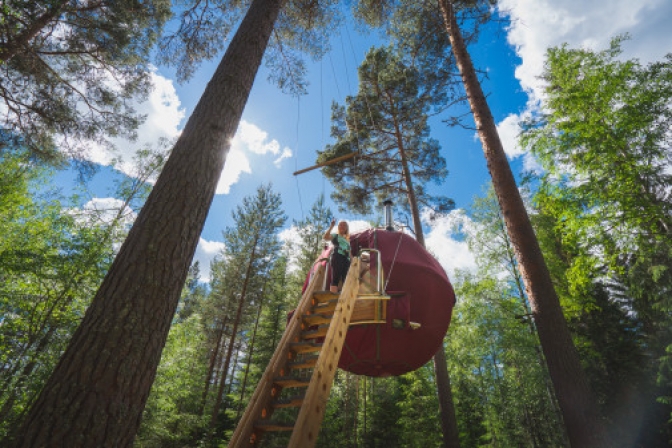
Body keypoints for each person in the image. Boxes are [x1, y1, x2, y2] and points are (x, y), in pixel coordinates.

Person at [324, 219, 351, 293]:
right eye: (341, 225)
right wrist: (331, 226)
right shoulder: (335, 235)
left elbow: (349, 252)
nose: (342, 226)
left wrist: (351, 260)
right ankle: (333, 296)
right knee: (336, 276)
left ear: (346, 228)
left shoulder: (347, 240)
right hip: (337, 256)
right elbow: (325, 237)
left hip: (346, 259)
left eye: (344, 225)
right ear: (338, 227)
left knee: (346, 278)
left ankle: (344, 296)